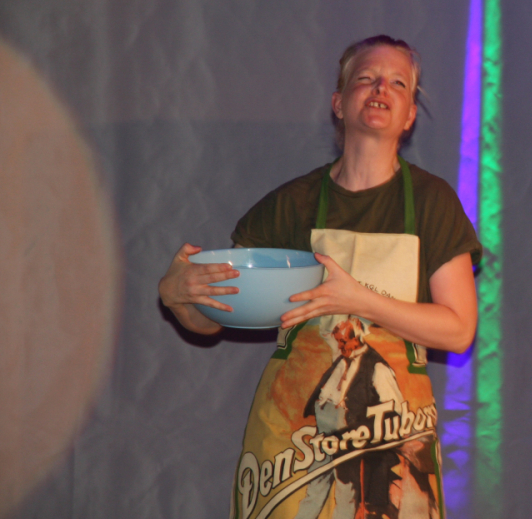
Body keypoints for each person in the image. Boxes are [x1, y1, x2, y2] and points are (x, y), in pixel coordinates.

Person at [159, 35, 481, 519]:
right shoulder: (292, 205)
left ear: (410, 115)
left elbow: (458, 330)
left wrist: (359, 300)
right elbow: (214, 318)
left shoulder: (432, 202)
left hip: (391, 443)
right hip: (294, 448)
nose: (381, 88)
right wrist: (178, 296)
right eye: (366, 78)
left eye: (398, 83)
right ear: (339, 103)